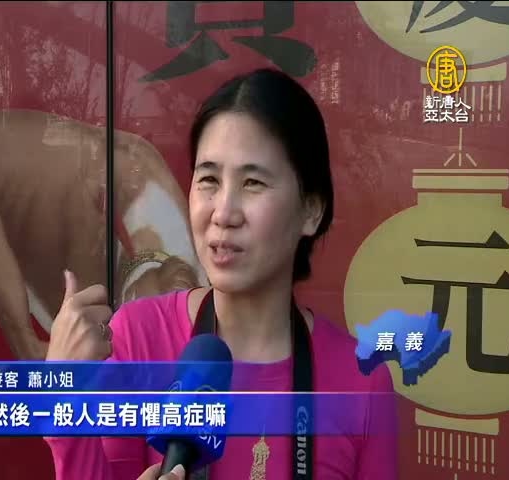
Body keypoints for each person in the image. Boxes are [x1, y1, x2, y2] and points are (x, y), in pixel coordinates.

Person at [44, 68, 397, 479]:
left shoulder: (361, 383)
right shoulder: (137, 338)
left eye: (253, 183)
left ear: (311, 211)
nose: (224, 213)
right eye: (209, 179)